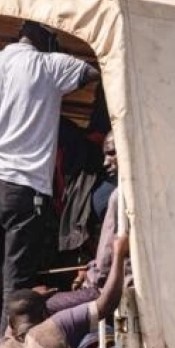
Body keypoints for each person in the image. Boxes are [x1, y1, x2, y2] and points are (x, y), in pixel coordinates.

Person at [0, 19, 101, 348]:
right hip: (22, 188)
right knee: (15, 293)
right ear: (47, 38)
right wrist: (58, 49)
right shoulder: (50, 64)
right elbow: (96, 70)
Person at [0, 235, 129, 348]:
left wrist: (33, 297)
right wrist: (119, 254)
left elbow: (17, 317)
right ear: (45, 314)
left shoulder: (3, 346)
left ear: (10, 323)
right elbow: (107, 303)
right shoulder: (54, 327)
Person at [47, 130, 130, 315]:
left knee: (40, 307)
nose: (105, 162)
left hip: (110, 286)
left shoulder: (119, 196)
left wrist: (91, 280)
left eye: (111, 154)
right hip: (111, 279)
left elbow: (106, 263)